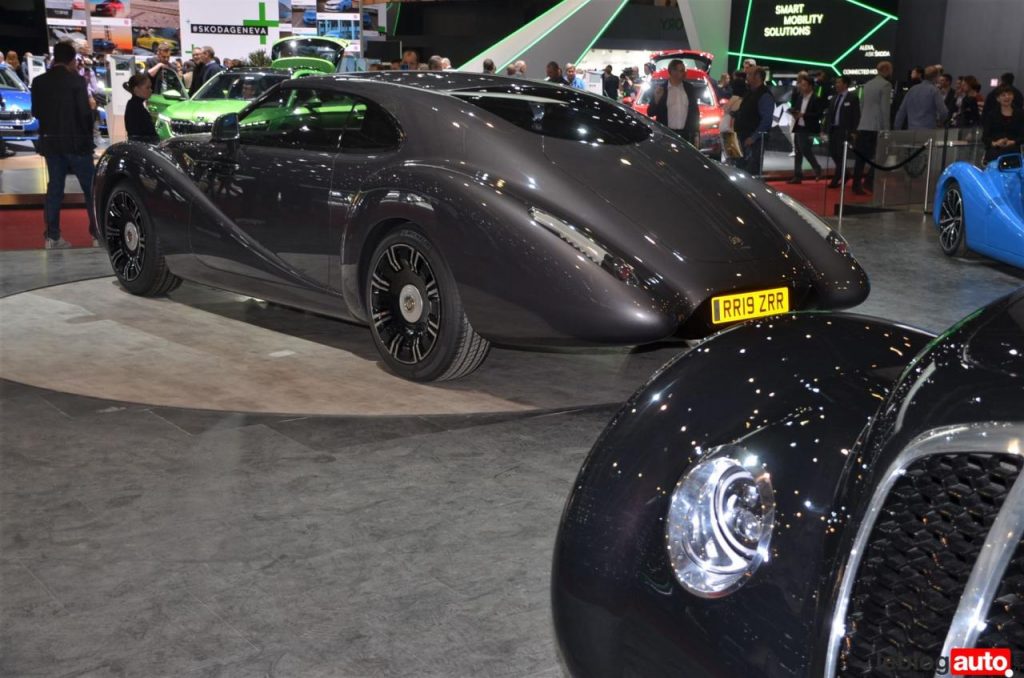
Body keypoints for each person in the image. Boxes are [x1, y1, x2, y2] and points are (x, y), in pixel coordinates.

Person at [31, 41, 98, 249]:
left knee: (55, 189)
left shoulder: (39, 82)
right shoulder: (76, 81)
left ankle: (52, 237)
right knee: (91, 189)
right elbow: (84, 113)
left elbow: (36, 112)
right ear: (72, 60)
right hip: (77, 143)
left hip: (51, 143)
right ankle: (97, 235)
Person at [851, 60, 892, 194]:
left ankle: (856, 184)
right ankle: (869, 181)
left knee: (860, 158)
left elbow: (862, 105)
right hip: (876, 127)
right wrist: (886, 130)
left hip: (864, 125)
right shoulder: (886, 85)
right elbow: (885, 109)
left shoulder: (868, 84)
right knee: (881, 156)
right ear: (886, 70)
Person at [648, 59, 700, 146]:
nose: (682, 73)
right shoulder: (661, 89)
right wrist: (656, 99)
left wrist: (696, 134)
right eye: (679, 70)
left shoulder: (689, 88)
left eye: (683, 70)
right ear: (671, 71)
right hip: (666, 135)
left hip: (686, 135)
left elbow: (695, 112)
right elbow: (650, 112)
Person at [734, 67, 774, 176]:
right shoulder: (750, 92)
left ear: (758, 77)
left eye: (749, 74)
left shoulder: (764, 95)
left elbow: (766, 120)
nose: (746, 77)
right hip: (744, 137)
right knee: (742, 169)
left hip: (754, 141)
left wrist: (753, 137)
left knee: (751, 171)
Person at [787, 74, 823, 183]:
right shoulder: (800, 97)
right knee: (798, 151)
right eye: (801, 85)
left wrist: (804, 115)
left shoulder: (816, 98)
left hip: (808, 128)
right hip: (799, 126)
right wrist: (794, 112)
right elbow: (797, 109)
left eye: (804, 85)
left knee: (804, 149)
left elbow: (819, 114)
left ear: (810, 86)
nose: (801, 87)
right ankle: (798, 175)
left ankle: (816, 167)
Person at [825, 75, 860, 188]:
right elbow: (829, 115)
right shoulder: (834, 98)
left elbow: (856, 115)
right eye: (836, 82)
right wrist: (824, 129)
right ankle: (845, 174)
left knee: (840, 154)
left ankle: (837, 178)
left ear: (845, 84)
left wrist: (854, 131)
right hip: (833, 129)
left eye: (839, 82)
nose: (836, 85)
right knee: (833, 153)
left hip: (844, 131)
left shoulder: (852, 98)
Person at [894, 65, 947, 130]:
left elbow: (902, 111)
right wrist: (940, 122)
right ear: (936, 77)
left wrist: (897, 128)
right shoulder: (934, 91)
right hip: (929, 129)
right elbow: (943, 112)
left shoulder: (912, 89)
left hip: (912, 129)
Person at [981, 85, 1024, 163]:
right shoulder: (991, 115)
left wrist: (1013, 142)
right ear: (998, 99)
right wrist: (995, 143)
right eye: (1003, 95)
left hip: (1013, 150)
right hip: (995, 150)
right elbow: (985, 137)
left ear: (1013, 96)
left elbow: (1022, 136)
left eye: (1009, 94)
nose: (1007, 97)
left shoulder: (1020, 114)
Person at [123, 73, 158, 142]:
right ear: (136, 89)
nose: (151, 90)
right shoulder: (134, 107)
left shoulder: (135, 105)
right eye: (147, 88)